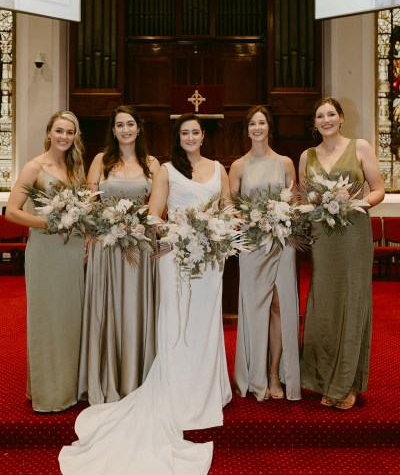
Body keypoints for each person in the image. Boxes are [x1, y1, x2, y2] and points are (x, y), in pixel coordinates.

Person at [59, 113, 232, 474]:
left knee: (197, 322)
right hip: (138, 249)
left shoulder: (178, 165)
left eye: (195, 131)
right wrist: (176, 232)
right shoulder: (132, 164)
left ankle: (204, 388)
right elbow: (146, 211)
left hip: (188, 251)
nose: (190, 136)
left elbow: (225, 207)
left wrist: (220, 227)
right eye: (184, 132)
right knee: (166, 319)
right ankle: (131, 381)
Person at [298, 97, 385, 410]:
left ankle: (344, 384)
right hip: (323, 237)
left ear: (341, 118)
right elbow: (302, 197)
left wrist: (355, 203)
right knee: (323, 302)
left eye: (331, 114)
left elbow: (378, 188)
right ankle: (321, 378)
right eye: (320, 115)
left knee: (350, 301)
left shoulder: (360, 147)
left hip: (353, 235)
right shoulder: (307, 155)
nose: (326, 120)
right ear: (315, 122)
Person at [78, 106, 160, 405]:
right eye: (119, 125)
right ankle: (108, 377)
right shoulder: (101, 161)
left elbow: (157, 207)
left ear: (139, 127)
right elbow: (88, 202)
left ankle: (138, 377)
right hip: (107, 246)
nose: (125, 129)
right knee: (109, 307)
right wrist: (92, 233)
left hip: (139, 246)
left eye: (130, 124)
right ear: (112, 130)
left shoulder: (152, 164)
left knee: (135, 308)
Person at [6, 111, 86, 412]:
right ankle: (49, 392)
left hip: (73, 251)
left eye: (70, 132)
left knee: (70, 319)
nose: (64, 137)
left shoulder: (75, 168)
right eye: (59, 131)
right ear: (49, 132)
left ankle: (70, 387)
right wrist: (49, 224)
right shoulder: (34, 167)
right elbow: (12, 212)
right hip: (46, 250)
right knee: (48, 320)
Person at [230, 105, 301, 402]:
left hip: (281, 242)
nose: (257, 128)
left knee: (278, 306)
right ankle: (254, 373)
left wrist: (283, 215)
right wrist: (249, 219)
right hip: (252, 244)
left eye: (262, 123)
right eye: (252, 124)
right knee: (254, 307)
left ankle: (274, 374)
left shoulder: (284, 163)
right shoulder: (237, 166)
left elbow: (294, 200)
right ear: (247, 129)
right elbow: (230, 205)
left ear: (269, 127)